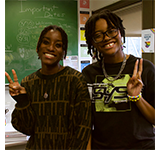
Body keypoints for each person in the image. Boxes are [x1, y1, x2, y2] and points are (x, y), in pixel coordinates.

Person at [5, 25, 91, 150]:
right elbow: (27, 129)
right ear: (38, 48)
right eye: (46, 42)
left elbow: (83, 127)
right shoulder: (28, 82)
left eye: (58, 45)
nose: (51, 48)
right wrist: (22, 101)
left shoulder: (75, 80)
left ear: (64, 53)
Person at [82, 10, 155, 150]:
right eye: (98, 35)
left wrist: (136, 97)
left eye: (111, 31)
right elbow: (85, 122)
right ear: (92, 42)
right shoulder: (88, 73)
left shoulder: (143, 68)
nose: (106, 38)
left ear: (120, 32)